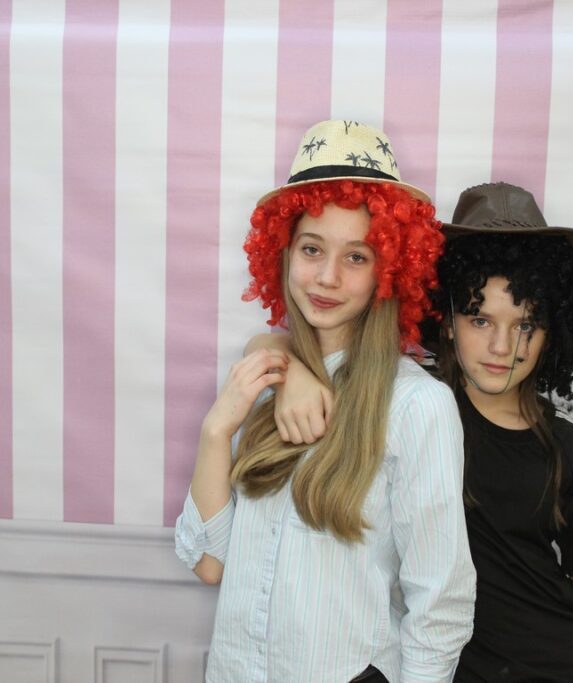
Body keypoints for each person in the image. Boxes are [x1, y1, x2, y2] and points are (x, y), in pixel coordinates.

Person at [253, 182, 573, 682]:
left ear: (552, 330)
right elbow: (300, 350)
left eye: (525, 325)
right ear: (447, 320)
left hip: (558, 666)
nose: (502, 347)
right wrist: (288, 371)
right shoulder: (409, 405)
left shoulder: (567, 446)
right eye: (480, 319)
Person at [174, 120, 475, 683]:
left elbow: (441, 603)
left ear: (390, 270)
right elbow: (210, 563)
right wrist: (216, 431)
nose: (328, 278)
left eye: (356, 257)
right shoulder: (263, 380)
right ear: (283, 254)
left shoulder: (418, 407)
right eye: (312, 249)